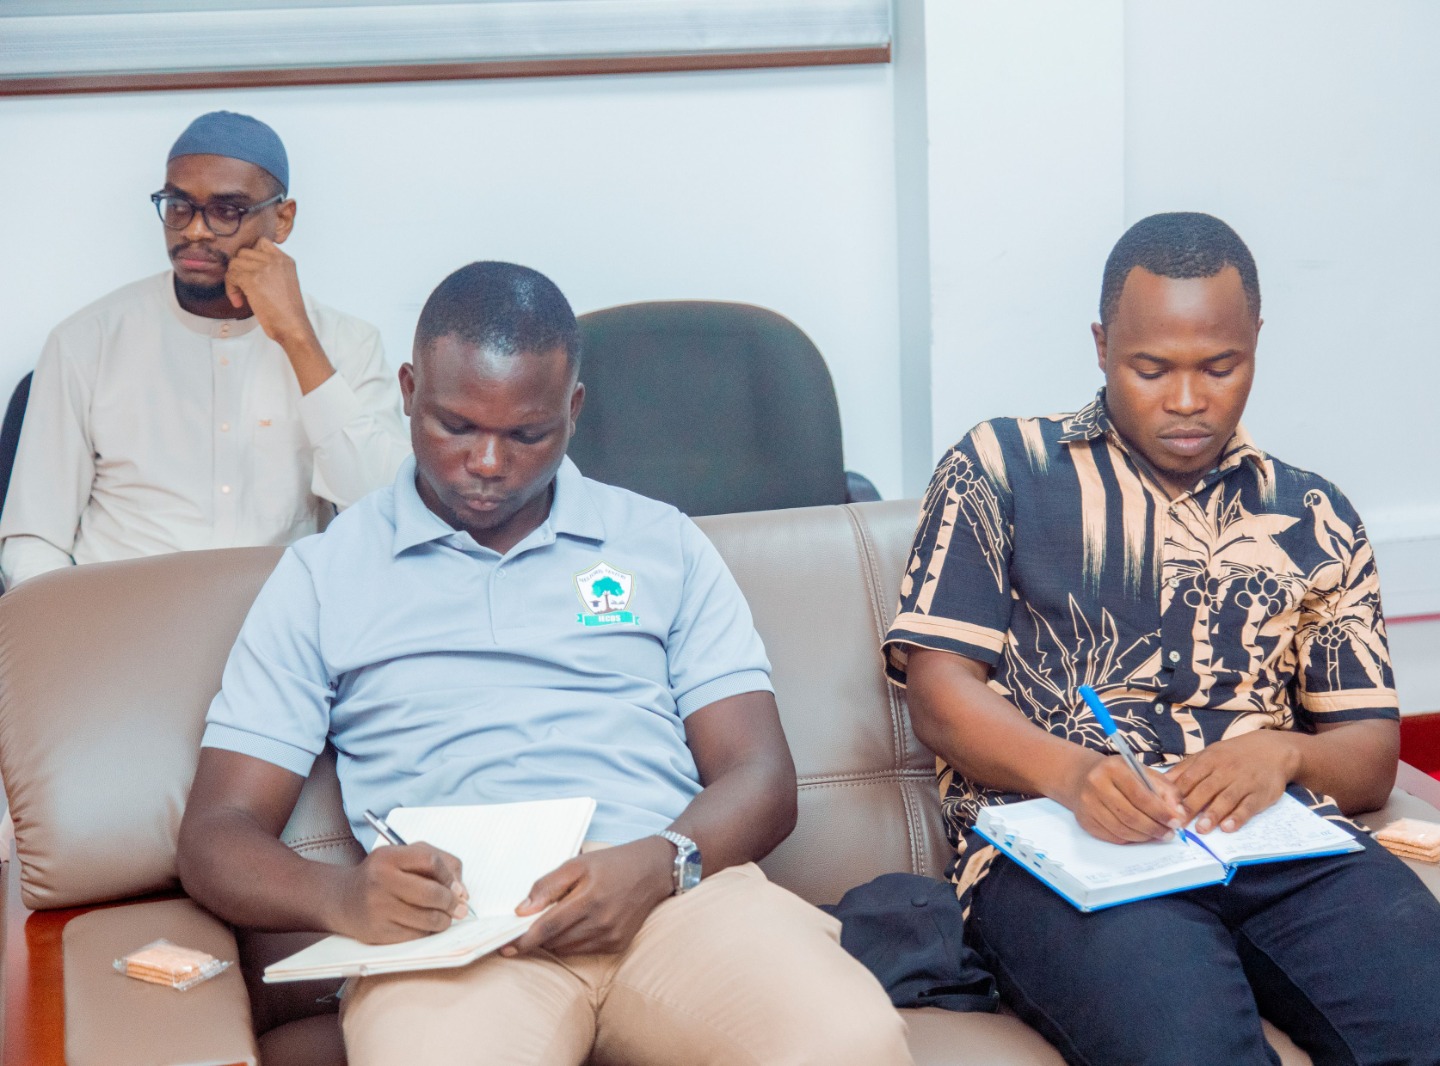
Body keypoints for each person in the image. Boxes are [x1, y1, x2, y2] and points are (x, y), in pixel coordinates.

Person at [177, 262, 913, 1066]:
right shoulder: (323, 577)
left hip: (669, 902)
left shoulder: (662, 544)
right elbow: (216, 834)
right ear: (409, 392)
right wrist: (341, 896)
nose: (489, 462)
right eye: (456, 426)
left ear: (573, 410)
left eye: (528, 435)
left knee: (849, 1040)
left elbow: (761, 777)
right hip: (456, 935)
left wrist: (663, 860)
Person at [883, 213, 1440, 1065]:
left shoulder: (1314, 514)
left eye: (1220, 366)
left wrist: (1285, 753)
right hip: (1070, 855)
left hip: (1281, 848)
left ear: (1256, 343)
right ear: (1102, 347)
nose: (1186, 400)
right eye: (1151, 369)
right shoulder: (1002, 468)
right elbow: (939, 692)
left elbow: (1369, 756)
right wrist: (1077, 775)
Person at [0, 110, 408, 589]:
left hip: (279, 620)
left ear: (282, 219)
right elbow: (33, 538)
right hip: (122, 618)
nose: (194, 230)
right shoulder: (86, 341)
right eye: (179, 206)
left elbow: (382, 514)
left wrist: (297, 338)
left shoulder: (347, 345)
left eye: (226, 210)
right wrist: (75, 626)